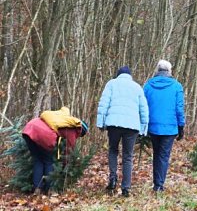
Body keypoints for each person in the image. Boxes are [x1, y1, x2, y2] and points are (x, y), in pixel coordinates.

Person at [96, 65, 149, 196]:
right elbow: (144, 109)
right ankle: (126, 187)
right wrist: (144, 127)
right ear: (130, 76)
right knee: (128, 156)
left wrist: (101, 122)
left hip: (114, 124)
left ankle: (113, 178)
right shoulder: (137, 87)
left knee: (113, 150)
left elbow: (103, 103)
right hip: (132, 126)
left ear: (118, 74)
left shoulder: (111, 84)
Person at [21, 107, 88, 194]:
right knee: (49, 161)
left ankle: (37, 189)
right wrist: (64, 166)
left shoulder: (62, 119)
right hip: (43, 133)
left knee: (38, 160)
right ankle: (50, 189)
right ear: (81, 131)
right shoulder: (73, 130)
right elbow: (68, 151)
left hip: (29, 128)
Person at [143, 59, 185, 192]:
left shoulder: (148, 85)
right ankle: (159, 184)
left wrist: (143, 124)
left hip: (153, 126)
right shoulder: (176, 86)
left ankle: (157, 183)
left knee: (156, 154)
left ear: (157, 70)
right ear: (169, 71)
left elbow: (143, 106)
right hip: (170, 127)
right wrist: (181, 126)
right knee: (164, 155)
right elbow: (179, 108)